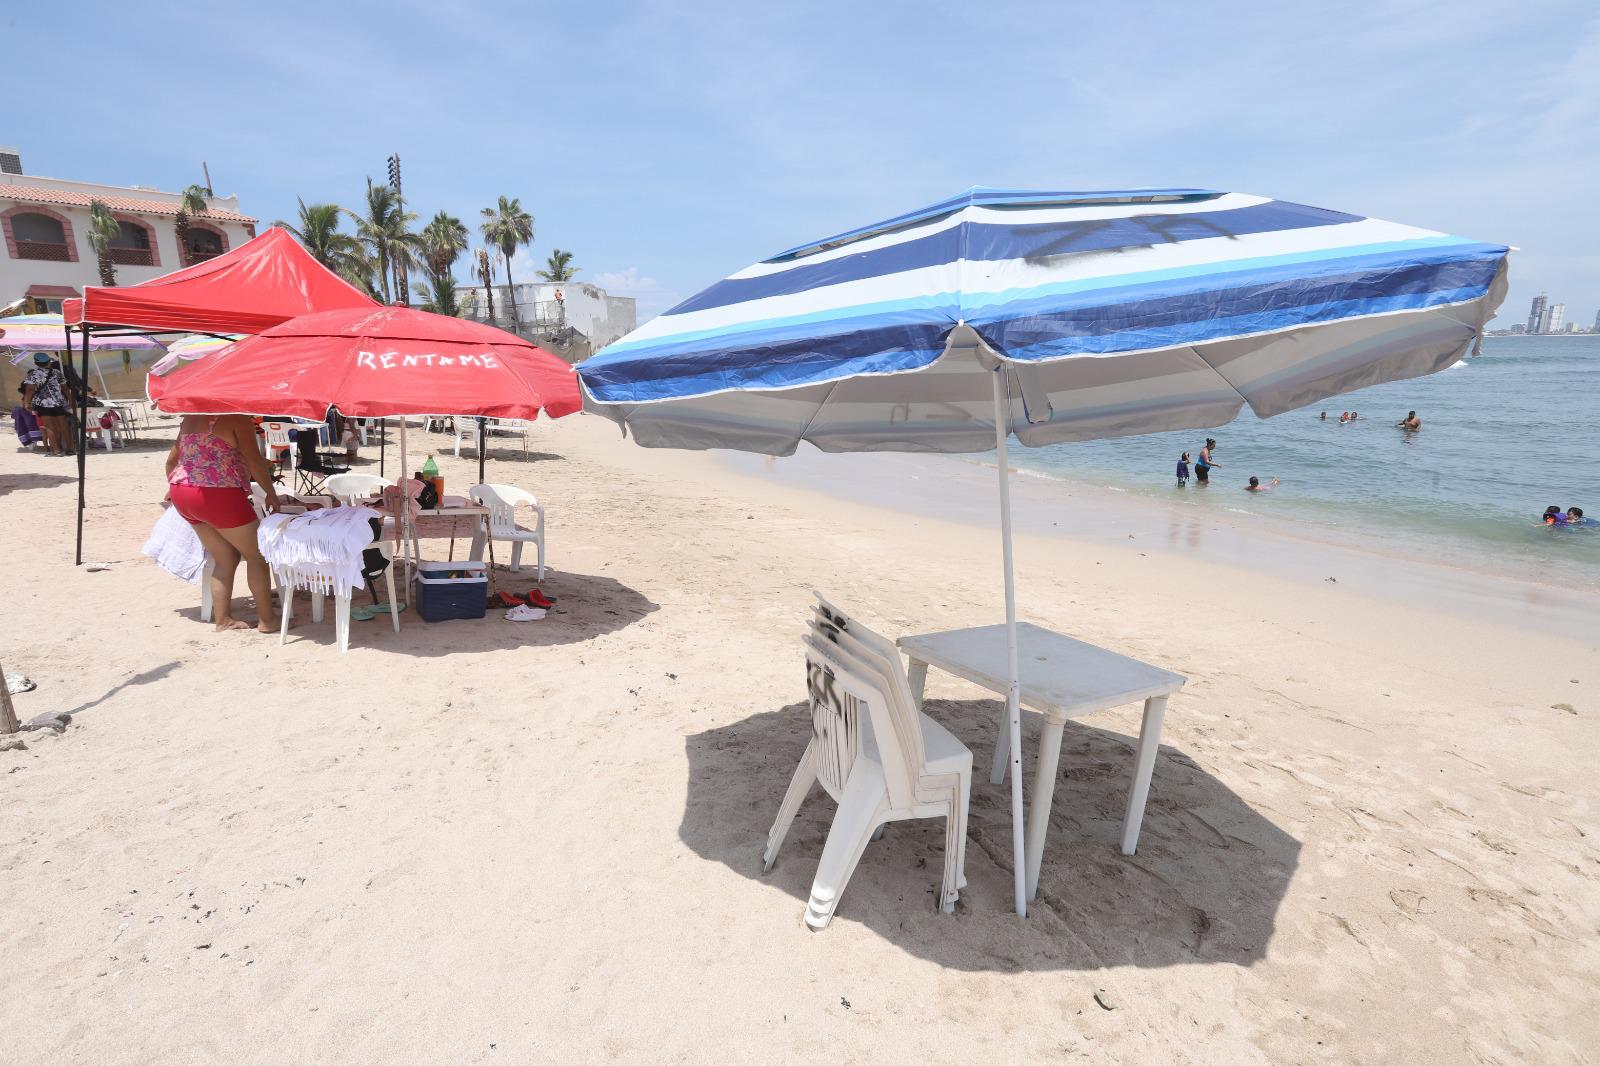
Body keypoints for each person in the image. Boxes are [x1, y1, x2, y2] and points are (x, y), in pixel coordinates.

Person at [164, 413, 284, 632]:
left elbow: (172, 461)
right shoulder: (236, 418)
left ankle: (223, 620)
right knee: (257, 555)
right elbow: (254, 460)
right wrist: (271, 493)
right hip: (218, 493)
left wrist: (176, 488)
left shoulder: (190, 418)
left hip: (181, 490)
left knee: (225, 558)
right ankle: (268, 621)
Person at [21, 353, 73, 457]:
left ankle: (57, 451)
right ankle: (70, 449)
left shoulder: (33, 374)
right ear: (49, 362)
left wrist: (26, 403)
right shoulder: (57, 372)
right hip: (58, 403)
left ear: (36, 363)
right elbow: (65, 387)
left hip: (43, 404)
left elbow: (30, 389)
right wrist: (70, 399)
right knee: (63, 426)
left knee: (49, 427)